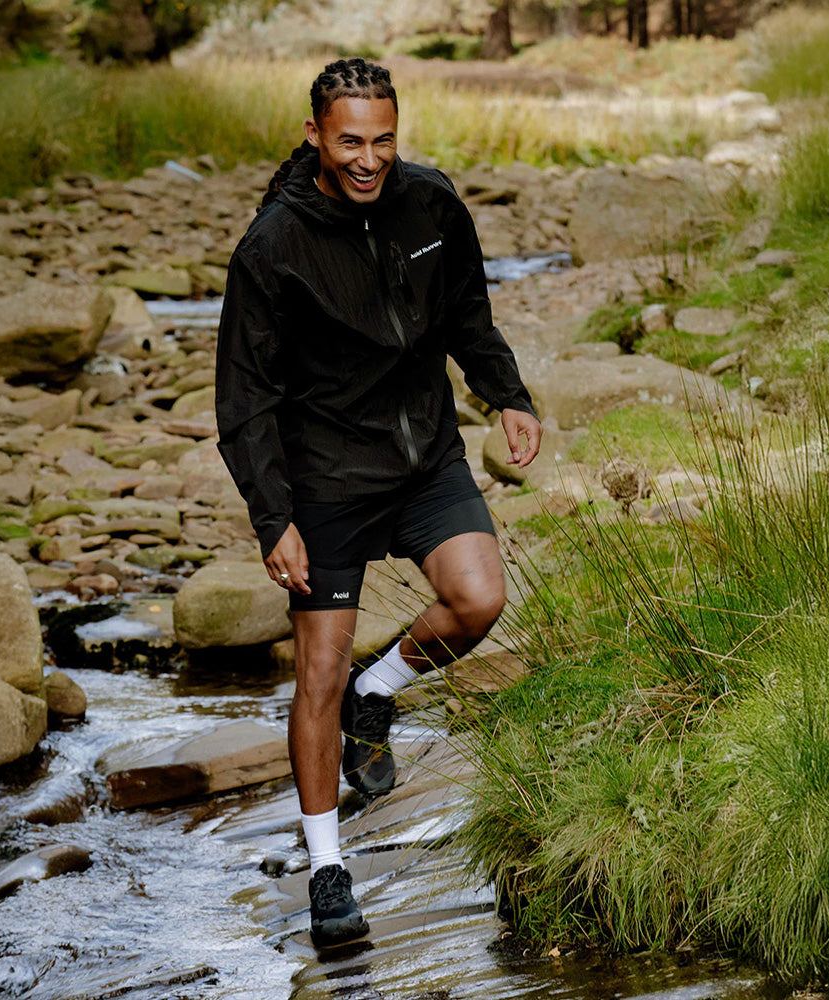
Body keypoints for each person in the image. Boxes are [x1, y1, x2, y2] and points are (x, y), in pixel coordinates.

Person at [215, 57, 542, 948]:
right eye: (351, 140)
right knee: (315, 671)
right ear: (316, 133)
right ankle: (328, 870)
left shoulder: (431, 204)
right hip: (325, 479)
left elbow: (469, 316)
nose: (369, 159)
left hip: (424, 454)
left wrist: (507, 393)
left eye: (385, 139)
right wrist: (272, 518)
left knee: (479, 600)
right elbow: (243, 400)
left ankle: (383, 688)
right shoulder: (273, 247)